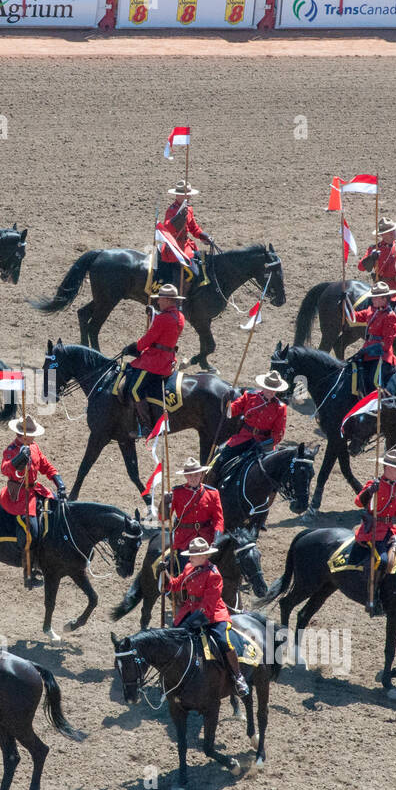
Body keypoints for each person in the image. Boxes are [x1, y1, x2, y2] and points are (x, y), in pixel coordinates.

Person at [165, 537, 248, 697]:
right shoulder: (189, 567)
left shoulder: (213, 575)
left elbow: (209, 603)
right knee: (173, 636)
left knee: (224, 641)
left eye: (192, 556)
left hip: (212, 613)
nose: (189, 558)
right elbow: (175, 585)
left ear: (203, 557)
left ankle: (238, 676)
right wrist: (165, 572)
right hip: (190, 609)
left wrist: (193, 620)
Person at [0, 415, 66, 589]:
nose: (35, 436)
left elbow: (45, 465)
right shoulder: (12, 449)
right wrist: (18, 459)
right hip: (20, 495)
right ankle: (28, 574)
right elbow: (5, 469)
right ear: (23, 435)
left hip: (36, 489)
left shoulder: (34, 447)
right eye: (32, 434)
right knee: (31, 532)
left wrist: (59, 482)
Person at [355, 448, 396, 617]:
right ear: (388, 468)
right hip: (373, 530)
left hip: (391, 531)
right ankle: (372, 598)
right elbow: (359, 503)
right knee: (381, 561)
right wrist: (369, 491)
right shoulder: (373, 485)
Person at [120, 283, 185, 436]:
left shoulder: (163, 319)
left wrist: (134, 347)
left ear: (169, 300)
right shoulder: (179, 316)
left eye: (160, 299)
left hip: (156, 362)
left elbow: (149, 338)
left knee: (135, 390)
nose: (158, 301)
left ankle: (145, 426)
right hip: (167, 358)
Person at [217, 370, 289, 471]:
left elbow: (278, 434)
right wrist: (227, 401)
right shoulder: (249, 396)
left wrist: (266, 444)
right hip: (243, 438)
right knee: (220, 460)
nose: (271, 392)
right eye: (269, 389)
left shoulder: (281, 408)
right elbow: (230, 413)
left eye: (274, 390)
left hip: (263, 443)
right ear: (263, 387)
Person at [159, 180, 217, 293]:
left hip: (186, 245)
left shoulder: (188, 208)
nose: (189, 196)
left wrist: (204, 236)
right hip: (174, 247)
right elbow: (166, 229)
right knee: (193, 273)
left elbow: (194, 228)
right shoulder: (172, 210)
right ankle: (180, 298)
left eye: (189, 194)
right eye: (186, 194)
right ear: (178, 195)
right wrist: (177, 219)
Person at [165, 457, 224, 558]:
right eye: (190, 475)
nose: (193, 478)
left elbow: (218, 519)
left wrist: (217, 539)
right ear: (185, 476)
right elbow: (163, 518)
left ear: (201, 474)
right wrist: (164, 503)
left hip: (207, 540)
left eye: (196, 474)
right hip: (184, 540)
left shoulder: (213, 493)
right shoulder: (176, 493)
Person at [350, 282, 396, 395]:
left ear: (384, 299)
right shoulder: (372, 310)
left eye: (375, 298)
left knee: (373, 382)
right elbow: (355, 316)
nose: (372, 300)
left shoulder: (390, 316)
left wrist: (368, 350)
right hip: (367, 352)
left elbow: (387, 343)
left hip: (381, 356)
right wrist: (345, 306)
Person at [357, 217, 396, 299]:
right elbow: (361, 267)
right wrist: (371, 258)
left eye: (393, 230)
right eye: (389, 232)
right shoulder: (373, 249)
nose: (393, 233)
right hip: (382, 289)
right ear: (382, 234)